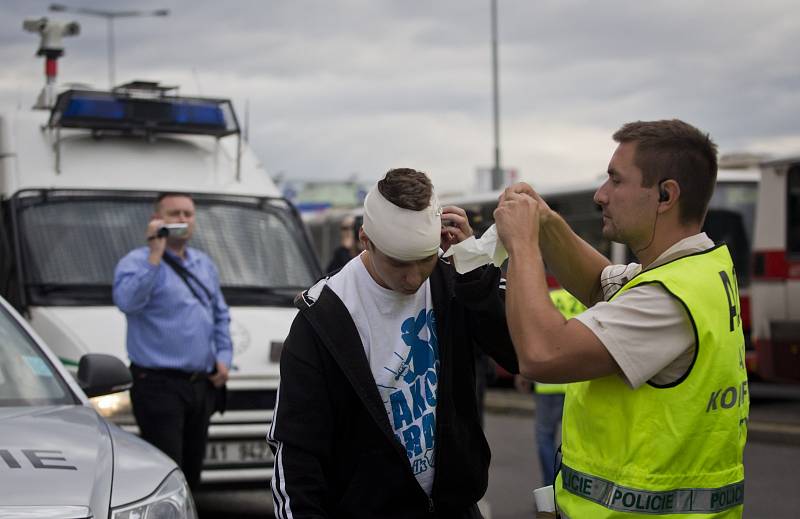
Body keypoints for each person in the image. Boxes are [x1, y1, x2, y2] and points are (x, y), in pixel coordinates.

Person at [494, 119, 749, 518]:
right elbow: (599, 284)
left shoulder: (666, 300)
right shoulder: (691, 272)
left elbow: (541, 354)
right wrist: (545, 222)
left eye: (615, 180)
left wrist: (523, 245)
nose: (601, 195)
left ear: (665, 195)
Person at [268, 168, 518, 519]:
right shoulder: (324, 317)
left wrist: (474, 265)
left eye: (424, 259)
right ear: (364, 239)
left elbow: (520, 353)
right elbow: (297, 455)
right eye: (399, 263)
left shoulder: (453, 276)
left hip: (455, 508)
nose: (414, 277)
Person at [113, 192, 232, 491]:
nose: (182, 220)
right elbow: (127, 302)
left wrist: (224, 356)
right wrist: (155, 255)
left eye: (188, 214)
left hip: (199, 385)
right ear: (157, 219)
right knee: (167, 472)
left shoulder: (204, 263)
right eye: (174, 214)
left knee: (192, 472)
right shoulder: (137, 262)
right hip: (158, 386)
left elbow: (219, 314)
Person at [514, 288, 585, 487]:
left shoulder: (549, 300)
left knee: (545, 437)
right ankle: (570, 486)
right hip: (577, 382)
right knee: (575, 441)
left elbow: (532, 339)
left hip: (548, 382)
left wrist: (522, 373)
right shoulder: (584, 301)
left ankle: (550, 485)